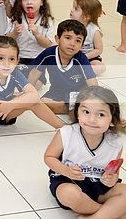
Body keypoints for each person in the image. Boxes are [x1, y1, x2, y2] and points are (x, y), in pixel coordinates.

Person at [0, 36, 64, 169]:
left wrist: (11, 104)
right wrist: (8, 104)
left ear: (17, 60)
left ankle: (64, 128)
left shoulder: (16, 73)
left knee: (34, 102)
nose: (6, 64)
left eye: (11, 59)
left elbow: (34, 95)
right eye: (1, 58)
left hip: (6, 112)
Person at [44, 86, 126, 217]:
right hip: (68, 180)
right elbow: (49, 157)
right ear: (77, 113)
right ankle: (110, 214)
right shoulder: (66, 133)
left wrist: (111, 179)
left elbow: (113, 172)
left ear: (112, 120)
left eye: (101, 114)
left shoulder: (115, 143)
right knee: (69, 194)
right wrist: (64, 170)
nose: (92, 119)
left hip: (99, 184)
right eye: (86, 112)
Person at [28, 20, 99, 113]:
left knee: (87, 102)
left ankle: (71, 108)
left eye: (78, 40)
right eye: (68, 38)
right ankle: (69, 108)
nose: (72, 43)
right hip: (57, 91)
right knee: (42, 103)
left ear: (82, 45)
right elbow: (34, 74)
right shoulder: (48, 54)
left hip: (78, 91)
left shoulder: (81, 58)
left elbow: (92, 82)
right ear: (57, 39)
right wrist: (27, 93)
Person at [7, 0, 55, 71]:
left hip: (39, 58)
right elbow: (7, 39)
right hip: (18, 57)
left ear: (42, 1)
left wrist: (37, 34)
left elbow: (48, 44)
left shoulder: (47, 20)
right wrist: (14, 33)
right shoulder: (16, 17)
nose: (29, 2)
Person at [70, 0, 105, 75]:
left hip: (90, 57)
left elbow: (99, 50)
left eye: (76, 9)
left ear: (86, 16)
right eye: (73, 7)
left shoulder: (94, 30)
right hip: (72, 55)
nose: (71, 10)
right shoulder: (69, 26)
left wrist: (85, 57)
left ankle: (83, 71)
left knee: (100, 67)